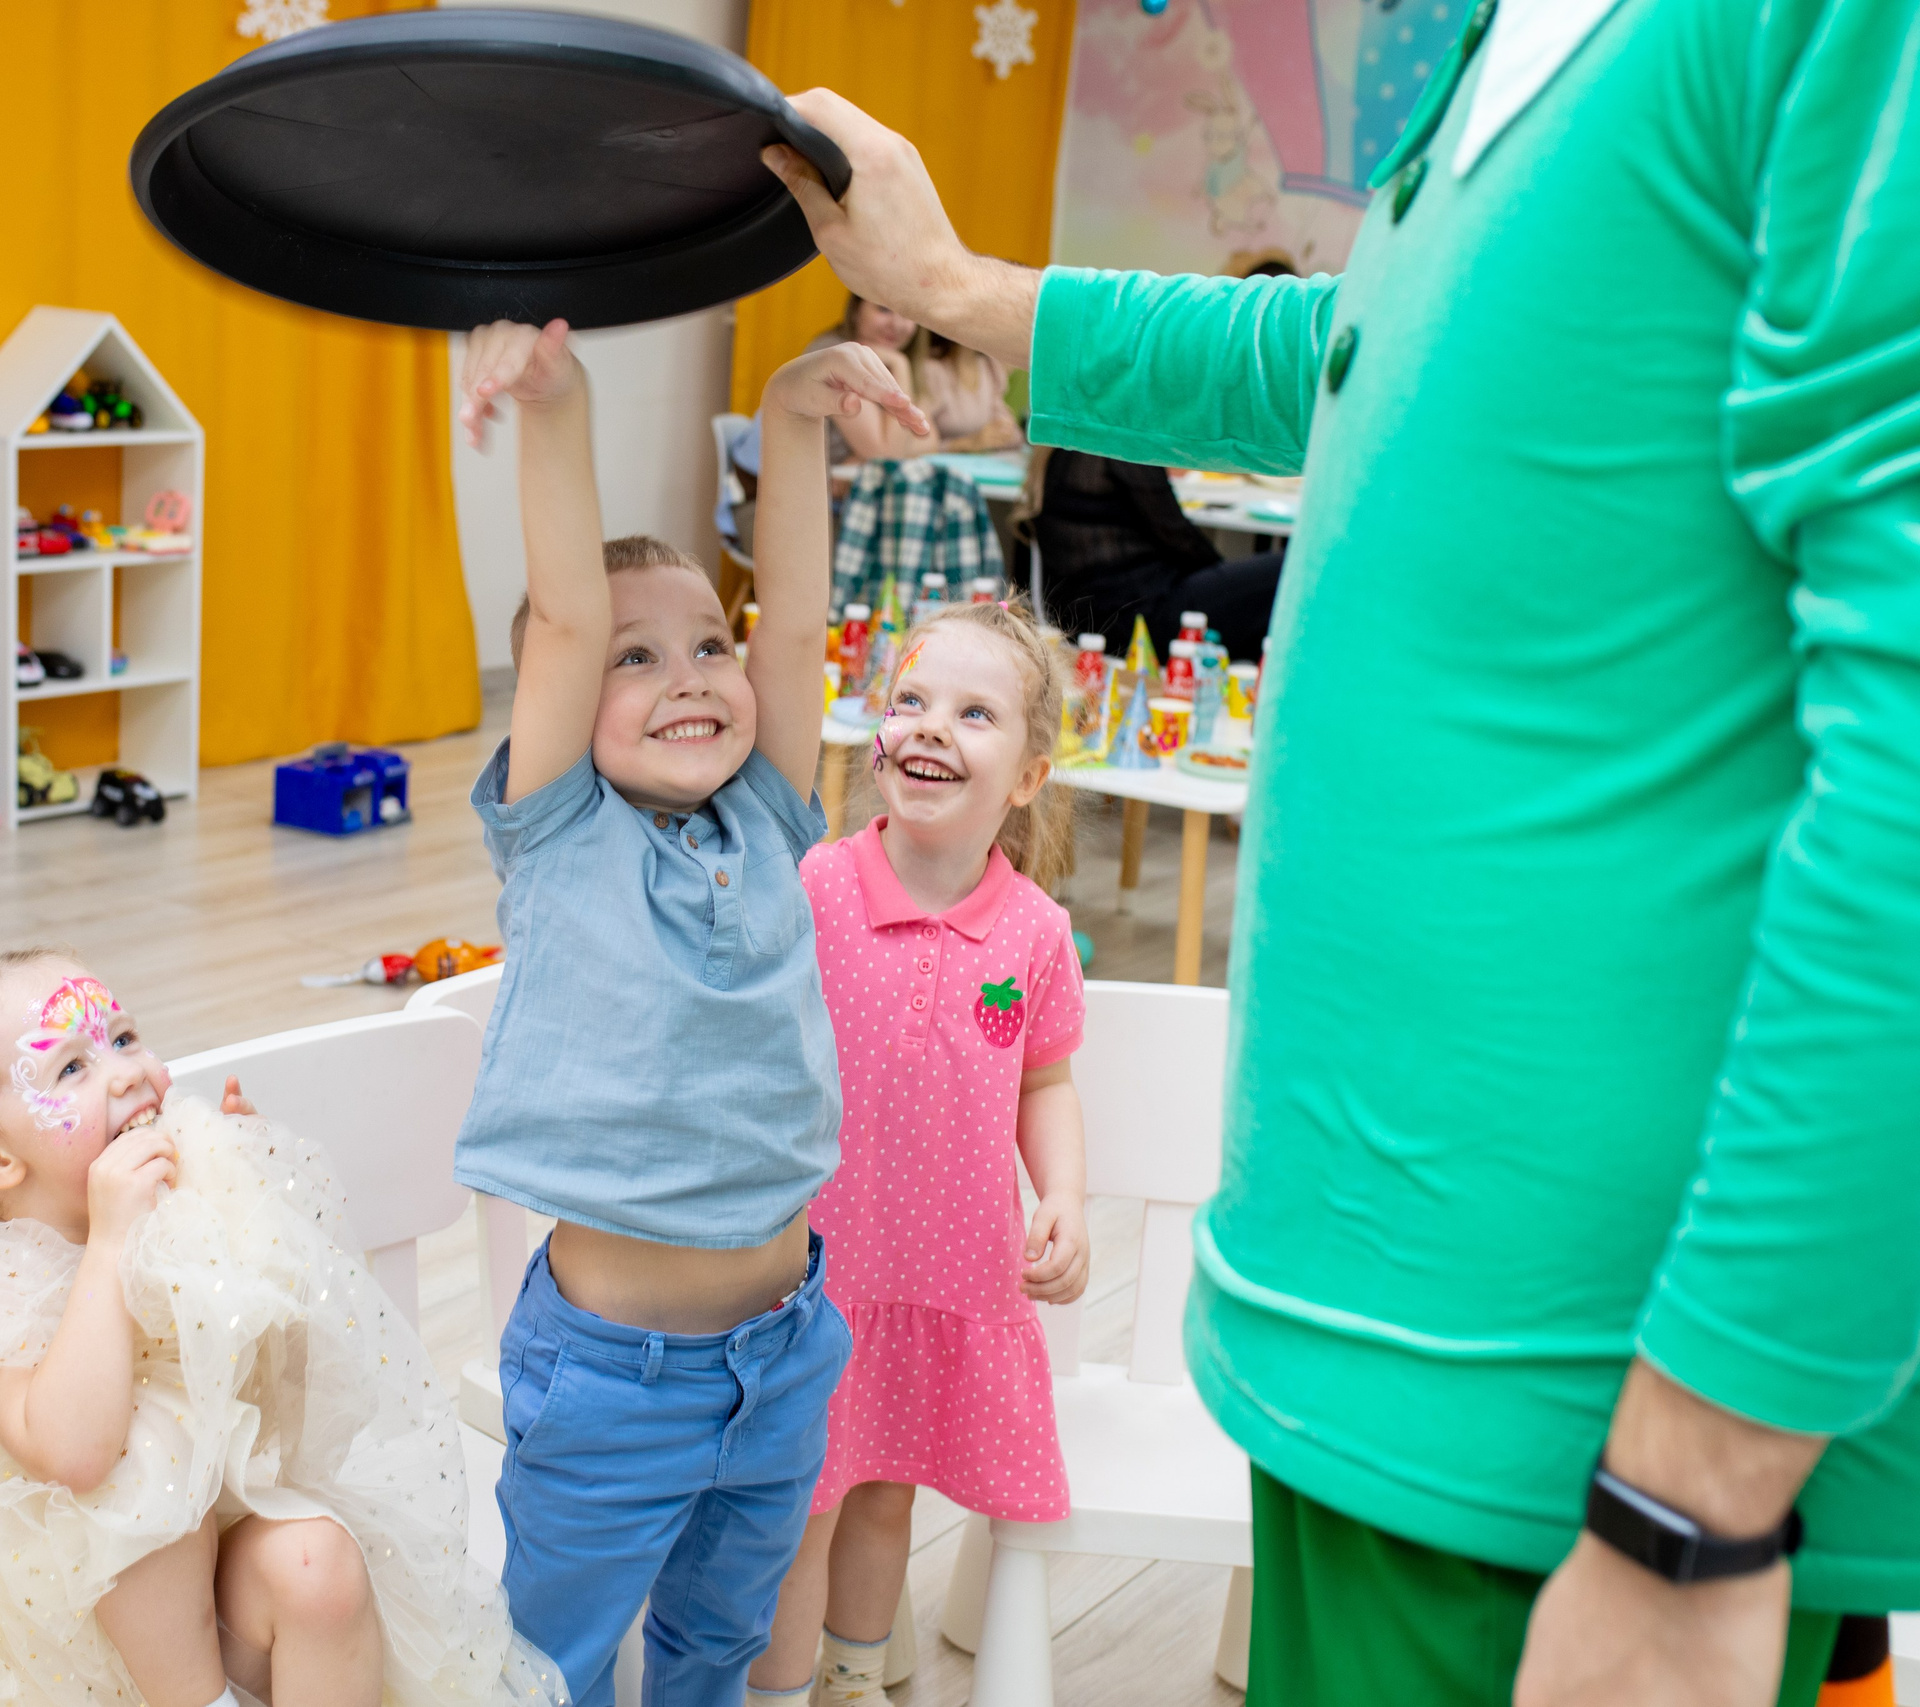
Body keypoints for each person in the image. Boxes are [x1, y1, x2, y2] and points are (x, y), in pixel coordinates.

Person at [759, 1, 1920, 1698]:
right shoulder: (1514, 51)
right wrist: (961, 290)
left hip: (1574, 1418)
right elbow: (1353, 355)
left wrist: (1693, 1501)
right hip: (1379, 1341)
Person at [448, 320, 920, 1704]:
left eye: (705, 645)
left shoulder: (768, 814)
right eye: (637, 659)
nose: (696, 673)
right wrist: (562, 399)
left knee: (718, 1646)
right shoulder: (557, 830)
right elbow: (568, 610)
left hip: (783, 1354)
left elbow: (788, 606)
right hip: (612, 1381)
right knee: (555, 1664)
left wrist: (787, 423)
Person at [0, 951, 563, 1707]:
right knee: (147, 1463)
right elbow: (77, 1453)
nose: (127, 1071)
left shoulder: (183, 1205)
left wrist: (259, 1216)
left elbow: (302, 1395)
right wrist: (110, 1244)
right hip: (77, 1629)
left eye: (124, 1038)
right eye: (71, 1067)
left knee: (318, 1564)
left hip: (222, 1572)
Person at [749, 601, 1089, 1707]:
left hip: (937, 1274)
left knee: (885, 1494)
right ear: (878, 731)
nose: (932, 727)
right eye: (911, 700)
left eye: (974, 712)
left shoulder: (1034, 931)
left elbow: (1043, 1080)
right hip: (816, 1272)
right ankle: (777, 1691)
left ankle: (853, 1681)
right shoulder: (819, 887)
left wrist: (1066, 1198)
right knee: (803, 1501)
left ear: (1028, 776)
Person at [1017, 446, 1283, 660]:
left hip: (1086, 622)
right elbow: (1179, 537)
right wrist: (1228, 584)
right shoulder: (1122, 442)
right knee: (1284, 571)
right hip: (1141, 621)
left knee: (1255, 595)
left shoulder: (1062, 445)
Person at [805, 295, 941, 465]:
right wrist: (901, 365)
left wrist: (862, 460)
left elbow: (930, 440)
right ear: (856, 310)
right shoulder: (833, 353)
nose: (896, 325)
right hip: (814, 487)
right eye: (883, 310)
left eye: (907, 314)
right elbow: (886, 457)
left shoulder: (902, 356)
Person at [907, 331, 1021, 453]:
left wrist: (1005, 432)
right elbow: (911, 446)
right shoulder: (932, 369)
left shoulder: (990, 367)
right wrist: (966, 443)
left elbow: (1014, 436)